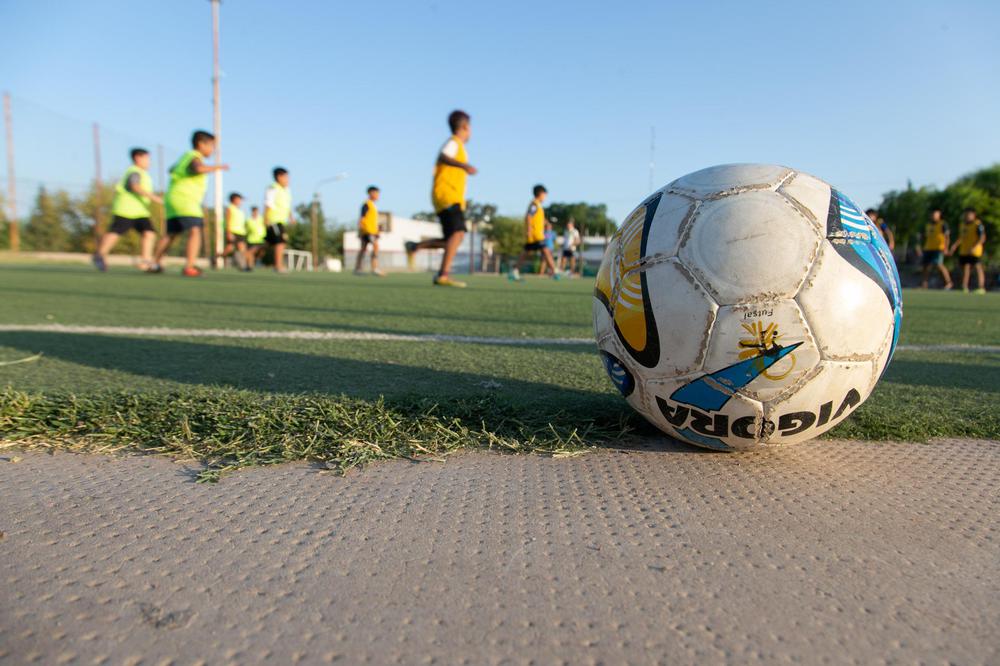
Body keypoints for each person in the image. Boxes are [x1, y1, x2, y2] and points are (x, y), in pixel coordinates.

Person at [405, 110, 477, 288]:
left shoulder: (459, 146)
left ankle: (415, 246)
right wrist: (464, 165)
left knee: (450, 239)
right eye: (470, 128)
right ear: (465, 126)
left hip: (449, 196)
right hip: (447, 195)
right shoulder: (453, 143)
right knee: (458, 233)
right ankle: (443, 274)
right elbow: (442, 157)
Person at [149, 130, 228, 277]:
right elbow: (197, 168)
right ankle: (189, 266)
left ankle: (155, 263)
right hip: (186, 200)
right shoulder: (194, 157)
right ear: (200, 144)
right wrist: (218, 167)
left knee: (170, 234)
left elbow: (171, 169)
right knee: (195, 230)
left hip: (173, 199)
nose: (213, 149)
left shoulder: (184, 157)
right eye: (211, 146)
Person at [93, 148, 161, 271]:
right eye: (147, 159)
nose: (149, 162)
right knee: (115, 232)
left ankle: (146, 262)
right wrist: (154, 197)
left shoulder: (142, 173)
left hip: (140, 211)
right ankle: (99, 255)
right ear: (137, 158)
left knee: (149, 233)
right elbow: (134, 186)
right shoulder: (134, 172)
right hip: (126, 209)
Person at [510, 184, 558, 281]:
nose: (545, 197)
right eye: (544, 194)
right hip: (535, 235)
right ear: (540, 194)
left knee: (526, 253)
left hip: (536, 235)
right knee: (546, 251)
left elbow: (537, 219)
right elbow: (529, 216)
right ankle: (554, 271)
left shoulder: (538, 205)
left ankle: (514, 271)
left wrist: (545, 222)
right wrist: (529, 230)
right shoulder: (534, 204)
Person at [950, 207, 987, 294]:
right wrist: (955, 245)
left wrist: (974, 247)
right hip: (964, 250)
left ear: (974, 215)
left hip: (975, 251)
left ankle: (981, 287)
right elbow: (961, 237)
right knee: (965, 268)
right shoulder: (962, 224)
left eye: (969, 214)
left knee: (978, 267)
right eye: (966, 214)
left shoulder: (978, 224)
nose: (967, 216)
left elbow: (982, 238)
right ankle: (964, 286)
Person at [264, 167, 294, 273]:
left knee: (270, 244)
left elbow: (287, 205)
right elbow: (268, 204)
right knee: (280, 243)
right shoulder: (273, 188)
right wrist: (266, 219)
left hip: (281, 221)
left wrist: (291, 217)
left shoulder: (286, 190)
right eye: (286, 177)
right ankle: (278, 266)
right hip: (274, 220)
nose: (288, 180)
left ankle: (248, 255)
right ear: (279, 177)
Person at [354, 186, 385, 276]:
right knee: (375, 246)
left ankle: (358, 269)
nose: (378, 195)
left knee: (363, 249)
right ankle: (374, 268)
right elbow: (362, 218)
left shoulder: (373, 206)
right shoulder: (367, 204)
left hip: (370, 231)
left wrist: (377, 229)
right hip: (368, 231)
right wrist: (360, 230)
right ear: (371, 193)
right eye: (376, 193)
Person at [920, 208, 953, 290]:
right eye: (932, 214)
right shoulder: (928, 225)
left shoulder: (943, 224)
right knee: (925, 266)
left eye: (935, 214)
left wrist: (946, 248)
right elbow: (925, 237)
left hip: (939, 248)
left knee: (939, 265)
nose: (933, 216)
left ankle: (949, 282)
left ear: (939, 215)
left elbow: (947, 237)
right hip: (928, 248)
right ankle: (924, 284)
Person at [221, 192, 248, 269]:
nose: (240, 201)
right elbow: (227, 221)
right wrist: (229, 232)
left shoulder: (240, 210)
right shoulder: (230, 208)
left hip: (241, 232)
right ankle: (216, 258)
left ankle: (242, 266)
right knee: (229, 249)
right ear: (234, 200)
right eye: (239, 199)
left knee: (242, 249)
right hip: (233, 231)